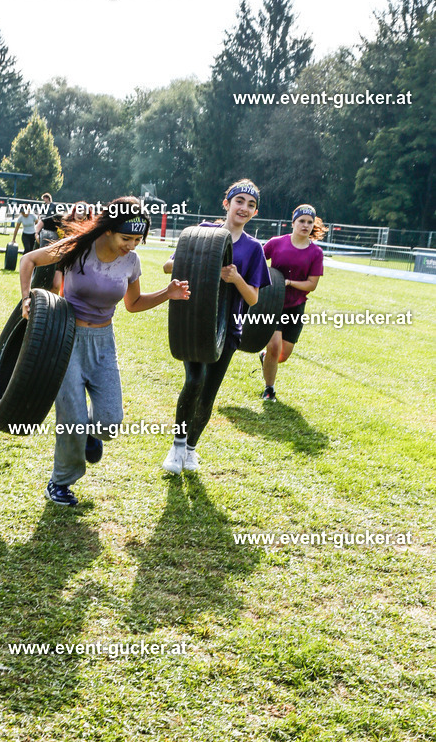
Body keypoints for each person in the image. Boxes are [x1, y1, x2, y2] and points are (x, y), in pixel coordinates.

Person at [20, 197, 190, 507]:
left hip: (103, 343)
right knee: (71, 417)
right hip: (66, 338)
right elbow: (28, 260)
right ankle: (60, 482)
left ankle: (89, 434)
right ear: (109, 230)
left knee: (110, 423)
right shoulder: (77, 246)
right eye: (126, 238)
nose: (132, 245)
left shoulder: (131, 261)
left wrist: (168, 293)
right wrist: (25, 300)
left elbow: (133, 304)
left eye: (138, 240)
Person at [162, 179, 270, 474]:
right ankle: (177, 445)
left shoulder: (253, 249)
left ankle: (192, 448)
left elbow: (253, 298)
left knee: (208, 392)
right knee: (194, 381)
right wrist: (206, 261)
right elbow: (168, 266)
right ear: (227, 204)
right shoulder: (203, 232)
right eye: (239, 201)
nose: (244, 208)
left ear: (255, 212)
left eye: (251, 205)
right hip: (194, 320)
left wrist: (236, 278)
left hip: (228, 329)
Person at [259, 205, 326, 401]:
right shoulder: (276, 243)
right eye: (301, 221)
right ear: (293, 223)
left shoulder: (316, 253)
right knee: (274, 345)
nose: (305, 225)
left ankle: (265, 359)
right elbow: (258, 262)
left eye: (309, 222)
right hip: (273, 302)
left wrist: (288, 282)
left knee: (283, 355)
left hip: (295, 306)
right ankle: (269, 389)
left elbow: (311, 285)